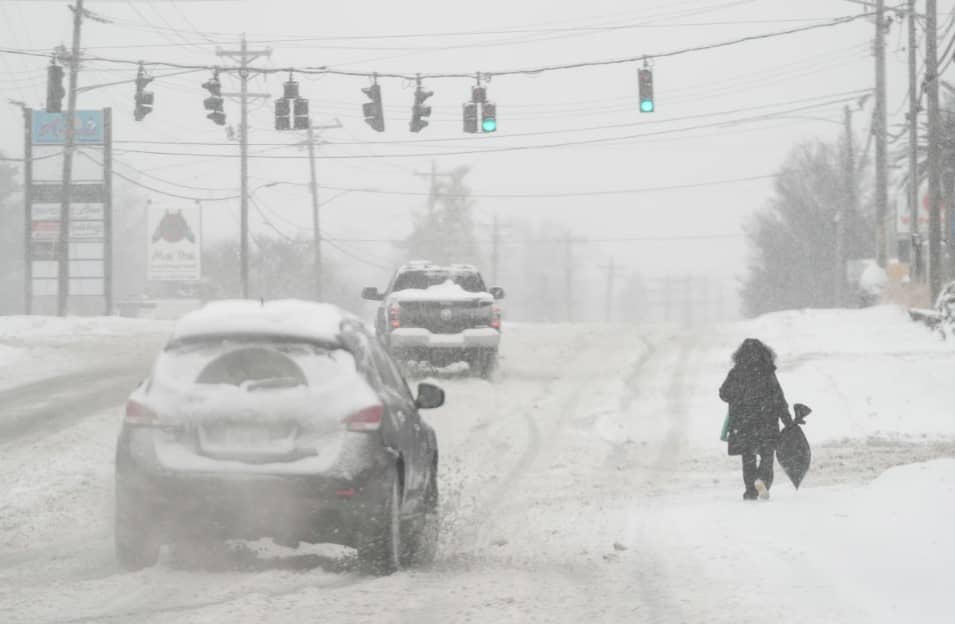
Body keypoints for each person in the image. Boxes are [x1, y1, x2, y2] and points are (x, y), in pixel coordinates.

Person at [719, 338, 793, 501]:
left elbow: (723, 393)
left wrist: (738, 397)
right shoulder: (767, 371)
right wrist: (787, 419)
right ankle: (763, 481)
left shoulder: (737, 372)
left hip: (744, 422)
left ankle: (750, 490)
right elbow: (778, 397)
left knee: (748, 458)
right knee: (767, 456)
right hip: (767, 421)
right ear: (764, 353)